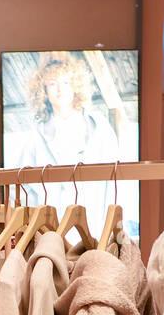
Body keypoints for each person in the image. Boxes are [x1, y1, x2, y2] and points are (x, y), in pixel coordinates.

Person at [10, 55, 138, 239]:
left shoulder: (99, 128)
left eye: (65, 82)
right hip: (50, 228)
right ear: (44, 90)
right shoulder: (35, 137)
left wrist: (116, 228)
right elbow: (22, 186)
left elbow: (116, 181)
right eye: (52, 84)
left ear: (76, 86)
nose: (59, 89)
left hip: (94, 222)